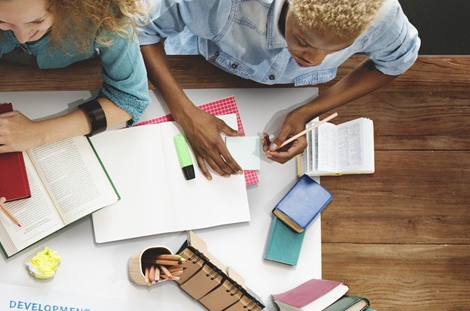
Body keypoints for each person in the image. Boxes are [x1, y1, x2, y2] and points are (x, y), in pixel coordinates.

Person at [0, 0, 150, 212]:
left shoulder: (105, 7)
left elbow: (129, 99)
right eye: (3, 22)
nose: (22, 37)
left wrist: (37, 133)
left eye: (38, 21)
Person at [137, 0, 419, 178]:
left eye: (336, 49)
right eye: (303, 40)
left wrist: (308, 111)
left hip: (287, 98)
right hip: (198, 68)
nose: (314, 60)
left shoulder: (381, 12)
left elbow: (398, 61)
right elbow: (141, 30)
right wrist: (187, 115)